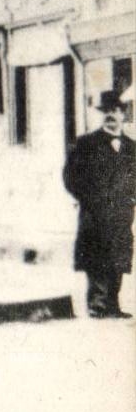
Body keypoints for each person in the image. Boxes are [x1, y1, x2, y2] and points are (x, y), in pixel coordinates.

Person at [62, 89, 136, 319]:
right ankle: (97, 304)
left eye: (115, 110)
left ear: (123, 113)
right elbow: (70, 176)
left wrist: (131, 198)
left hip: (122, 214)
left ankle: (112, 305)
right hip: (95, 214)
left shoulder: (133, 147)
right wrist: (88, 197)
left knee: (118, 259)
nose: (111, 115)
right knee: (96, 258)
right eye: (106, 111)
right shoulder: (86, 144)